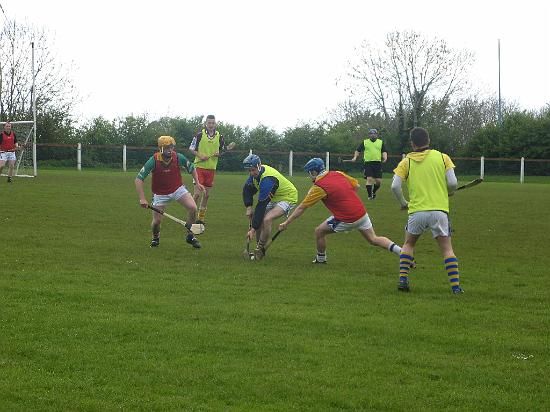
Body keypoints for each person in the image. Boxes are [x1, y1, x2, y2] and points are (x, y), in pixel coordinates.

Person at [278, 158, 403, 264]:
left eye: (310, 173)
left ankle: (321, 259)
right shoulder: (338, 173)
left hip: (347, 218)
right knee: (373, 239)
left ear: (314, 172)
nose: (309, 175)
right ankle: (402, 252)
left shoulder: (318, 187)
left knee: (319, 231)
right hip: (361, 213)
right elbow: (356, 186)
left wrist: (286, 223)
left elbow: (302, 207)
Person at [391, 127, 463, 294]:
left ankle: (403, 279)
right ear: (428, 140)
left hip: (417, 211)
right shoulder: (443, 157)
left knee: (409, 244)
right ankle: (455, 287)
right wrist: (449, 191)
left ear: (412, 143)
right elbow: (453, 183)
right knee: (447, 249)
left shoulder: (406, 162)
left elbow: (395, 186)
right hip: (439, 211)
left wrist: (403, 202)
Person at [135, 136, 205, 249]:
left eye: (171, 147)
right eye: (167, 147)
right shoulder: (153, 160)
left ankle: (190, 236)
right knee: (156, 222)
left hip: (177, 189)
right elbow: (138, 179)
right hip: (160, 194)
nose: (170, 150)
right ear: (161, 148)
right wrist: (142, 198)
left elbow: (191, 168)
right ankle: (155, 237)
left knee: (193, 208)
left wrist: (197, 183)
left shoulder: (178, 157)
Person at [242, 154, 298, 260]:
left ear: (259, 166)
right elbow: (247, 190)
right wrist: (249, 207)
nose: (251, 173)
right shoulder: (254, 175)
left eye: (253, 170)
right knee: (258, 219)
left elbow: (261, 205)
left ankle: (260, 249)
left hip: (287, 197)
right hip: (273, 197)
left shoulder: (268, 179)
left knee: (267, 219)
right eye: (249, 171)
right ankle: (258, 248)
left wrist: (253, 230)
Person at [188, 115, 227, 225]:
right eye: (209, 123)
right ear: (206, 123)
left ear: (215, 124)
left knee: (206, 195)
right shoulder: (199, 135)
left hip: (211, 169)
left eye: (213, 123)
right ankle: (191, 216)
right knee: (197, 194)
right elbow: (191, 148)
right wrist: (200, 155)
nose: (211, 125)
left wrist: (219, 153)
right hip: (199, 168)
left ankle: (200, 219)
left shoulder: (220, 136)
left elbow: (223, 150)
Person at [350, 128, 387, 200]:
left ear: (376, 135)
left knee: (378, 181)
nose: (373, 135)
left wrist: (385, 157)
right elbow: (357, 150)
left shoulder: (380, 142)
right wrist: (355, 157)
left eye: (374, 134)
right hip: (368, 163)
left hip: (378, 163)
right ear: (369, 135)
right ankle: (370, 196)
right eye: (371, 134)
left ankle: (373, 192)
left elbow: (384, 151)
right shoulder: (365, 142)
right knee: (369, 179)